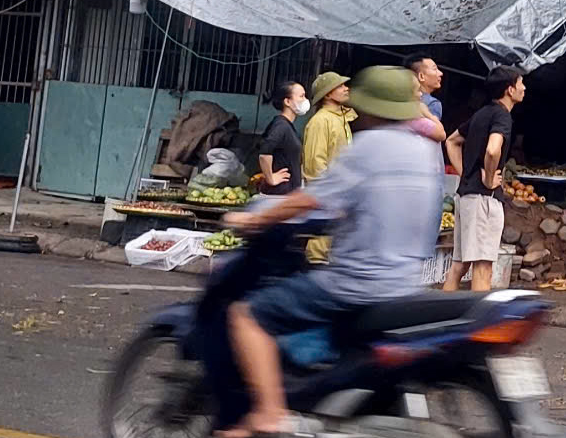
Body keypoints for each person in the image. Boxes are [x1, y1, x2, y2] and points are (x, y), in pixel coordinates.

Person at [216, 65, 440, 438]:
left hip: (357, 281)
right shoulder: (422, 151)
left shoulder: (368, 146)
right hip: (405, 283)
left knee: (247, 316)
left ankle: (270, 413)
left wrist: (258, 219)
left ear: (369, 107)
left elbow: (315, 192)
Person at [443, 68, 525, 292]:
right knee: (483, 267)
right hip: (483, 199)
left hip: (466, 195)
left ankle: (441, 319)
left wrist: (466, 174)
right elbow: (492, 150)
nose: (524, 88)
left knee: (459, 265)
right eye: (521, 83)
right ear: (510, 90)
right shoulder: (502, 116)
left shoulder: (482, 113)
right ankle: (480, 325)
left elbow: (452, 141)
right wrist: (489, 178)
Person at [299, 71, 351, 264]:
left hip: (340, 192)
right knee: (320, 245)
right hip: (328, 194)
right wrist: (324, 194)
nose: (346, 88)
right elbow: (314, 163)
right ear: (328, 94)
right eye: (341, 86)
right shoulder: (321, 121)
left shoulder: (340, 118)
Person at [255, 82, 306, 196]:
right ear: (287, 101)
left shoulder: (287, 125)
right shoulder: (281, 126)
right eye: (301, 96)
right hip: (279, 194)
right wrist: (270, 178)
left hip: (287, 193)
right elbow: (264, 151)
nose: (305, 100)